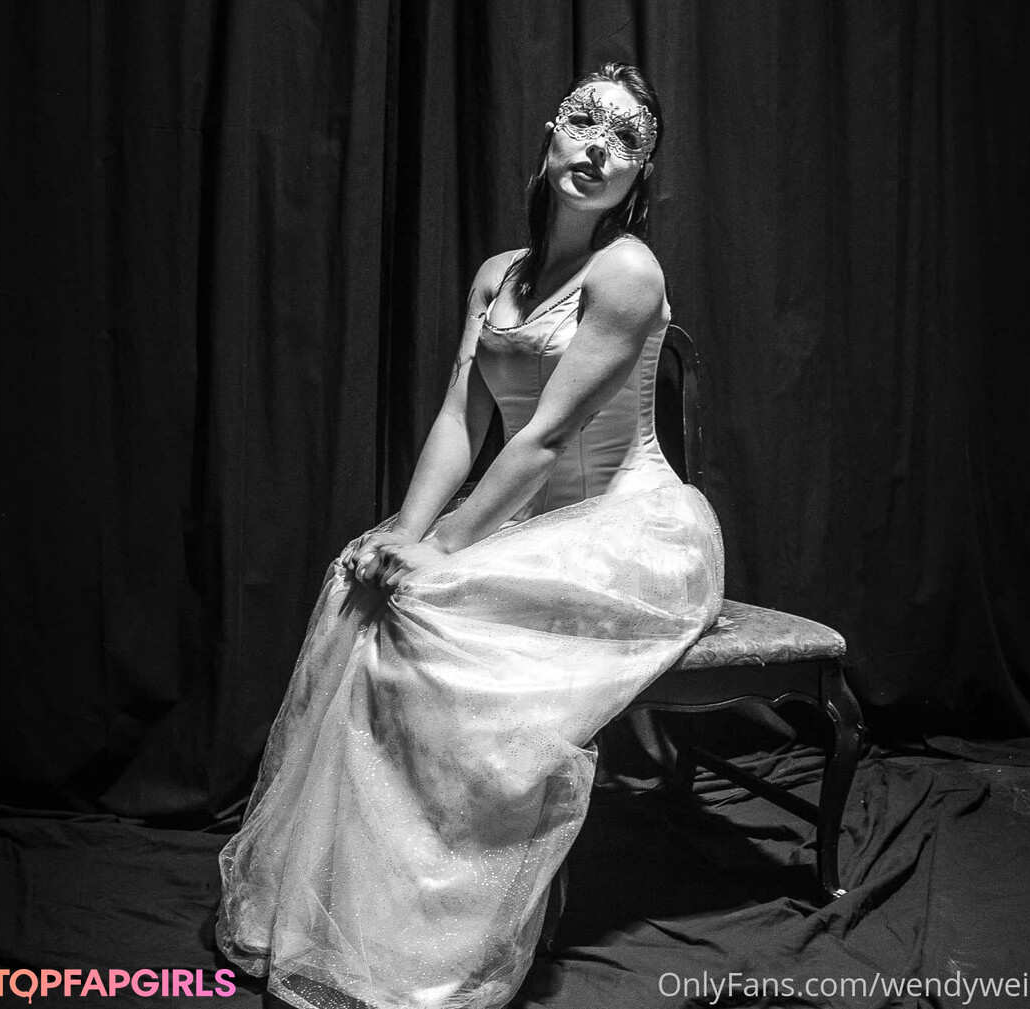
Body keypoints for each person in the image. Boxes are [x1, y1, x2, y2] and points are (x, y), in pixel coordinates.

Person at [216, 62, 724, 1009]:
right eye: (584, 121)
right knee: (367, 587)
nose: (598, 148)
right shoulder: (499, 273)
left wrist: (443, 548)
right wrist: (405, 534)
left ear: (640, 176)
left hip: (628, 525)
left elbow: (546, 437)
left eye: (625, 140)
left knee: (433, 623)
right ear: (549, 131)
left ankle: (442, 928)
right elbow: (462, 416)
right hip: (529, 515)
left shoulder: (627, 271)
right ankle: (360, 909)